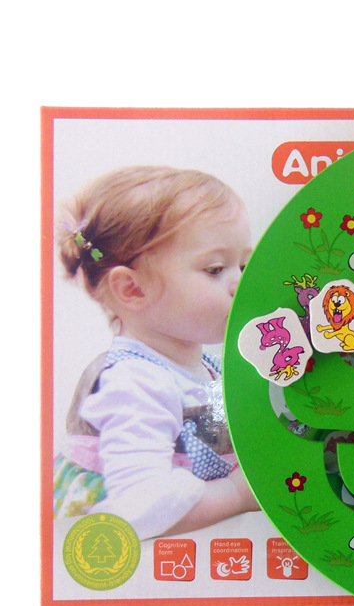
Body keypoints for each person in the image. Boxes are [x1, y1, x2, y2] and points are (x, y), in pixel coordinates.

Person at [54, 166, 259, 539]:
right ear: (132, 290)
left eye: (244, 265)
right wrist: (238, 493)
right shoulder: (134, 385)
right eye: (216, 269)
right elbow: (138, 511)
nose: (241, 283)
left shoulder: (203, 367)